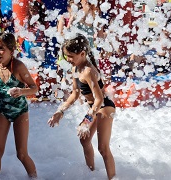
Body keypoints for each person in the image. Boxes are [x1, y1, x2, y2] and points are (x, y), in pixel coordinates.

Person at [48, 33, 116, 180]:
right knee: (84, 140)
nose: (68, 59)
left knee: (103, 148)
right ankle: (91, 174)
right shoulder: (76, 69)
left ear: (82, 53)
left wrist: (86, 121)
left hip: (104, 108)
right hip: (95, 108)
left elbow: (98, 99)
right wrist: (60, 111)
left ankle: (113, 178)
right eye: (66, 56)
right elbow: (75, 93)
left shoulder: (88, 71)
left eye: (71, 56)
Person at [0, 32, 38, 178]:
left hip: (20, 112)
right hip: (3, 111)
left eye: (1, 49)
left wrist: (21, 90)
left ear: (11, 51)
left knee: (21, 154)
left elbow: (34, 88)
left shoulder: (18, 67)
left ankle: (35, 177)